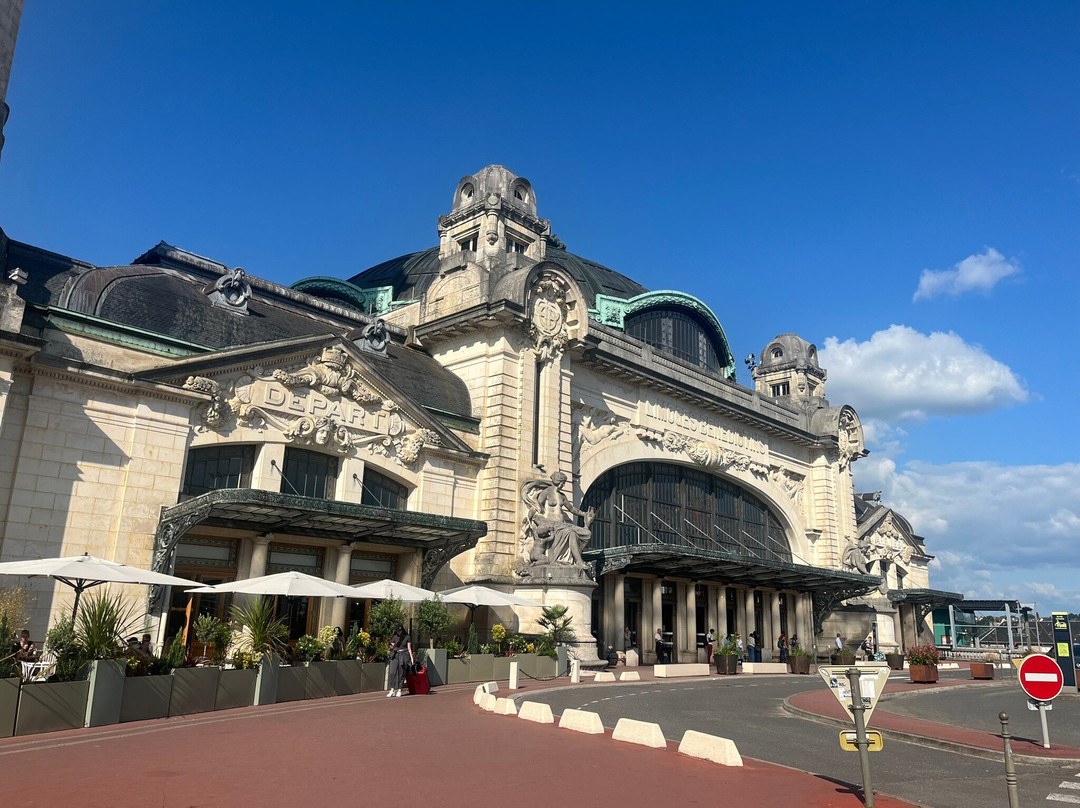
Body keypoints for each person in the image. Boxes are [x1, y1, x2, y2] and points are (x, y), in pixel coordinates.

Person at [387, 625, 414, 698]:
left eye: (400, 631)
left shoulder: (407, 637)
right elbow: (391, 648)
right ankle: (392, 690)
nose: (399, 632)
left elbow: (409, 648)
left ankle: (399, 690)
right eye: (397, 631)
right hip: (395, 654)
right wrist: (391, 647)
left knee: (401, 673)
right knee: (392, 672)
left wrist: (411, 658)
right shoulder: (394, 637)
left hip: (403, 654)